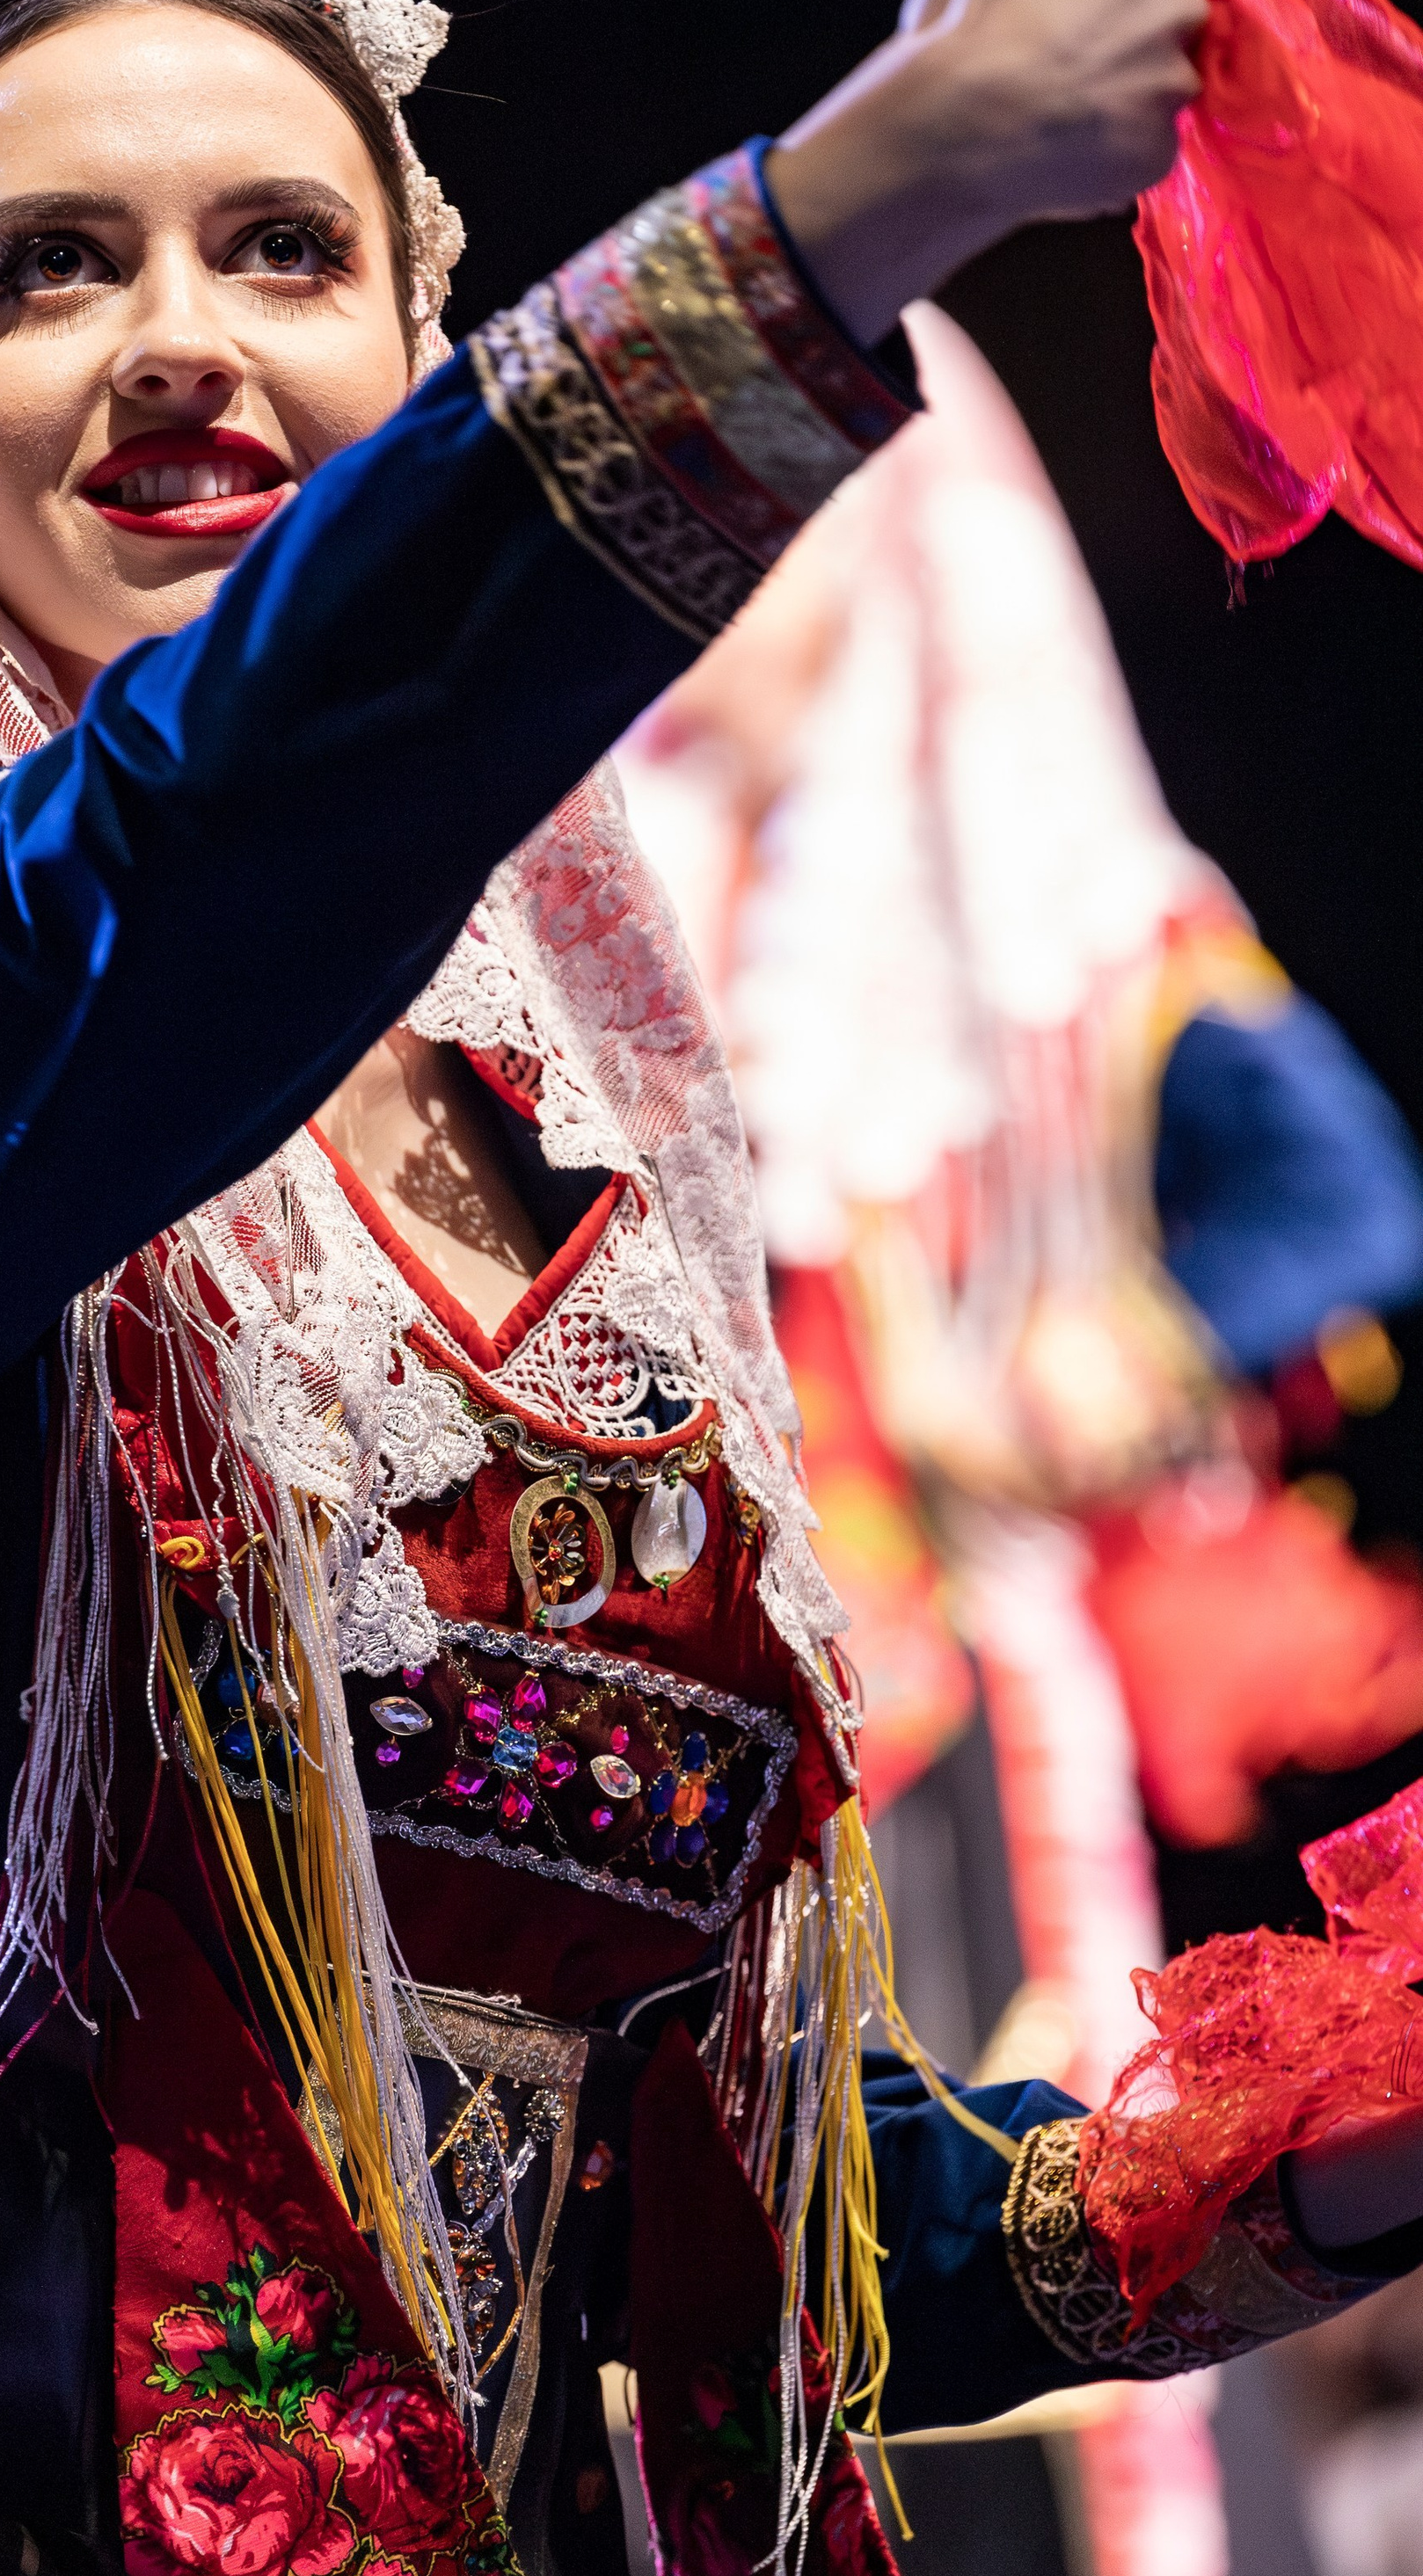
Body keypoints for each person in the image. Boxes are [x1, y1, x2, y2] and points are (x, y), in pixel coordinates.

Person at [0, 0, 1423, 2572]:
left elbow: (705, 2197)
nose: (180, 341)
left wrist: (1323, 2154)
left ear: (406, 328)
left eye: (283, 248)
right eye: (49, 267)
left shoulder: (545, 1159)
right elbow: (198, 842)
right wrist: (867, 201)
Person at [613, 297, 1423, 2576]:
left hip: (958, 1726)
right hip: (695, 1761)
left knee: (1015, 2243)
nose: (717, 584)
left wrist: (1119, 1371)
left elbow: (1349, 1204)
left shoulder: (1065, 929)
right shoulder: (602, 913)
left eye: (769, 525)